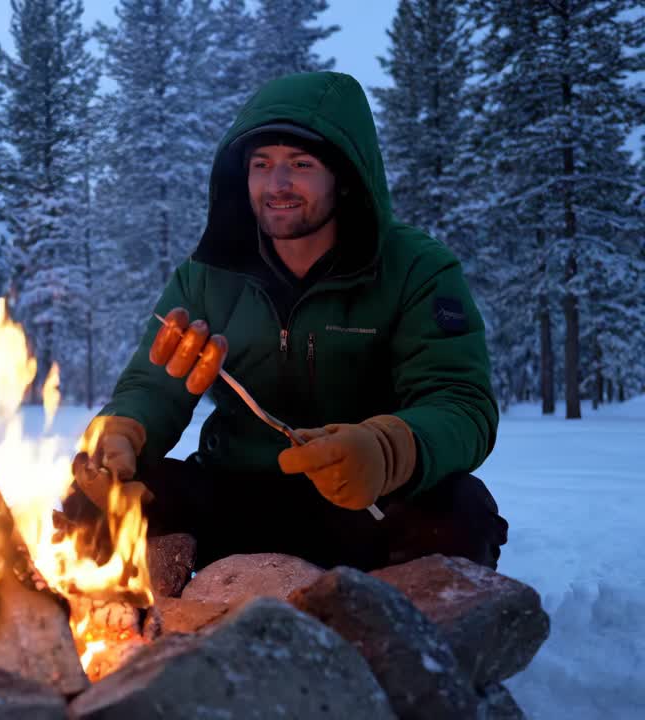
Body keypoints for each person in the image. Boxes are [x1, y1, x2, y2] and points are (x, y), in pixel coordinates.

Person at [68, 71, 508, 571]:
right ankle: (142, 627)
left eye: (300, 164)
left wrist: (387, 450)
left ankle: (397, 640)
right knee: (94, 505)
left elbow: (461, 404)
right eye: (262, 165)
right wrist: (125, 431)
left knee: (458, 516)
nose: (277, 184)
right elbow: (154, 385)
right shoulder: (209, 275)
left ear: (344, 177)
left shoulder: (416, 270)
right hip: (233, 496)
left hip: (363, 505)